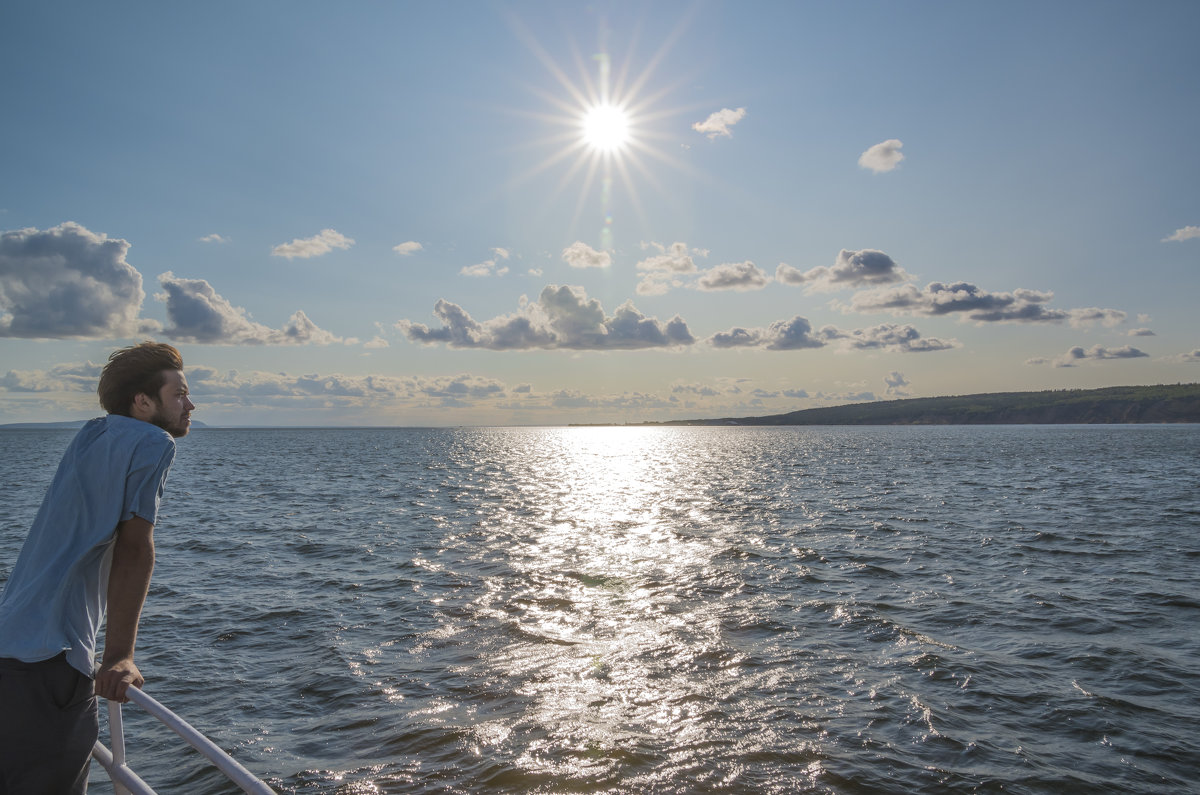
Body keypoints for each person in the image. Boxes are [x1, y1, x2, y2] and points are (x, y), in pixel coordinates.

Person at [0, 341, 195, 794]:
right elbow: (134, 547)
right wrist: (119, 657)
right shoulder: (153, 440)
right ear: (142, 403)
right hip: (46, 664)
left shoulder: (92, 434)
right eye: (179, 394)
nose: (190, 404)